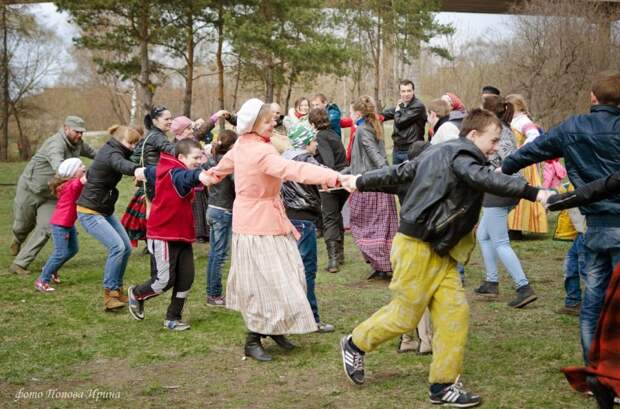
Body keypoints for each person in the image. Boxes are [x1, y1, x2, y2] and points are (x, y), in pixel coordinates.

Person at [338, 108, 549, 407]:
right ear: (473, 135)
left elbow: (398, 172)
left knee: (454, 316)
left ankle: (442, 385)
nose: (495, 148)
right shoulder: (464, 158)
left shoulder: (439, 152)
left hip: (442, 250)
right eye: (492, 140)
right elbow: (481, 179)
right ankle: (355, 343)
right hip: (416, 246)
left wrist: (359, 181)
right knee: (405, 315)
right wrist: (534, 192)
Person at [202, 98, 347, 362]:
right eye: (268, 120)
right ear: (254, 124)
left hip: (271, 220)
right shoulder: (257, 151)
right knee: (264, 284)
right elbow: (293, 169)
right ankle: (253, 338)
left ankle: (275, 329)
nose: (274, 123)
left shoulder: (246, 145)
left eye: (273, 119)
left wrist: (207, 175)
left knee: (289, 277)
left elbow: (217, 171)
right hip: (256, 226)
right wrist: (333, 177)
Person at [501, 71, 620, 364]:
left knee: (593, 299)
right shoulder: (575, 128)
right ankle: (607, 373)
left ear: (593, 97)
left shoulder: (572, 127)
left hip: (595, 227)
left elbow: (531, 151)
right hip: (603, 223)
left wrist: (501, 167)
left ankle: (595, 369)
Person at [127, 139, 211, 330]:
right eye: (195, 158)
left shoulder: (164, 168)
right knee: (163, 281)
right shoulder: (177, 173)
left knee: (186, 278)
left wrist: (141, 173)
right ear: (181, 158)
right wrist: (199, 175)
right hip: (163, 234)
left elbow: (150, 171)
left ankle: (173, 318)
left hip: (181, 234)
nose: (199, 161)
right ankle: (138, 293)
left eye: (201, 157)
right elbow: (186, 177)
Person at [473, 95, 537, 308]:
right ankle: (491, 281)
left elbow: (509, 159)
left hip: (501, 189)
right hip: (507, 188)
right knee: (483, 235)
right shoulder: (503, 129)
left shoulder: (498, 132)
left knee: (500, 241)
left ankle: (523, 287)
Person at [10, 115, 96, 275]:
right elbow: (59, 166)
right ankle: (18, 238)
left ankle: (20, 263)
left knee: (46, 226)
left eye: (82, 132)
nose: (80, 135)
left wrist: (114, 159)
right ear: (66, 128)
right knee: (22, 225)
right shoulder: (55, 144)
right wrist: (76, 176)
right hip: (30, 189)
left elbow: (95, 154)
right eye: (77, 132)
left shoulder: (78, 144)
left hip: (51, 195)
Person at [77, 125, 145, 311]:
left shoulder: (116, 150)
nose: (132, 146)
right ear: (120, 139)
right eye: (130, 142)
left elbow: (125, 160)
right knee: (117, 247)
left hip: (104, 210)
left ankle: (116, 290)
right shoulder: (111, 153)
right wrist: (138, 171)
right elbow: (121, 165)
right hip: (90, 211)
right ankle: (110, 295)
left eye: (134, 143)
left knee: (126, 247)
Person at [281, 122, 336, 333]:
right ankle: (311, 318)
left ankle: (293, 314)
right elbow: (326, 174)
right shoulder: (304, 159)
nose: (316, 145)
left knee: (292, 268)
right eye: (313, 141)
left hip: (289, 218)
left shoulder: (285, 156)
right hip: (304, 219)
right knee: (307, 269)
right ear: (305, 142)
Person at [347, 96, 398, 280]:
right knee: (380, 228)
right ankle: (381, 266)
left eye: (351, 112)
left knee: (364, 226)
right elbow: (359, 161)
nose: (350, 115)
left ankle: (385, 265)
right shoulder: (372, 125)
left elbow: (374, 154)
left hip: (371, 185)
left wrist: (385, 175)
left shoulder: (362, 129)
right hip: (374, 181)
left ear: (358, 113)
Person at [34, 158, 86, 293]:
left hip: (68, 224)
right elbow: (85, 180)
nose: (84, 167)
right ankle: (42, 280)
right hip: (60, 224)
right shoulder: (72, 185)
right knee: (61, 252)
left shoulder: (70, 183)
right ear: (73, 171)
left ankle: (51, 269)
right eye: (80, 166)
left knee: (73, 249)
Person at [308, 108, 348, 273]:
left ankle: (333, 261)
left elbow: (329, 162)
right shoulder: (333, 134)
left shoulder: (321, 137)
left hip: (331, 182)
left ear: (312, 124)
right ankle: (339, 254)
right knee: (336, 215)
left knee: (329, 218)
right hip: (343, 179)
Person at [504, 94, 548, 235]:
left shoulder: (522, 120)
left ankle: (517, 228)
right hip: (516, 161)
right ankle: (513, 226)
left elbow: (534, 135)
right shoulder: (514, 120)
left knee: (520, 193)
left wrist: (521, 150)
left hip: (522, 163)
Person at [203, 129, 237, 307]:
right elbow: (237, 185)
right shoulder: (229, 163)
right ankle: (214, 294)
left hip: (212, 209)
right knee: (220, 255)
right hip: (223, 211)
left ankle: (212, 292)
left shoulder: (211, 159)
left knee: (215, 254)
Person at [381, 79, 426, 189]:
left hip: (411, 150)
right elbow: (386, 114)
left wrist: (397, 110)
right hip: (397, 149)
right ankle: (404, 205)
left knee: (411, 184)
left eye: (409, 91)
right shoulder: (402, 105)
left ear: (413, 91)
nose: (406, 94)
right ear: (400, 92)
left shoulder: (418, 106)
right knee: (398, 183)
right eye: (403, 91)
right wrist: (373, 117)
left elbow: (400, 122)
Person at [170, 115, 210, 243]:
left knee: (202, 206)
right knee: (195, 208)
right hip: (189, 182)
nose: (191, 130)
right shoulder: (176, 146)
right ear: (180, 131)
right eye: (188, 129)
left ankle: (204, 232)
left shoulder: (192, 141)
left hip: (200, 179)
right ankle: (197, 233)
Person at [135, 105, 174, 202]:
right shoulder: (157, 136)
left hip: (152, 180)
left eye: (171, 119)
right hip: (156, 181)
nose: (170, 122)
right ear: (155, 121)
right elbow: (172, 150)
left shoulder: (153, 134)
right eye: (166, 119)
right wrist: (187, 150)